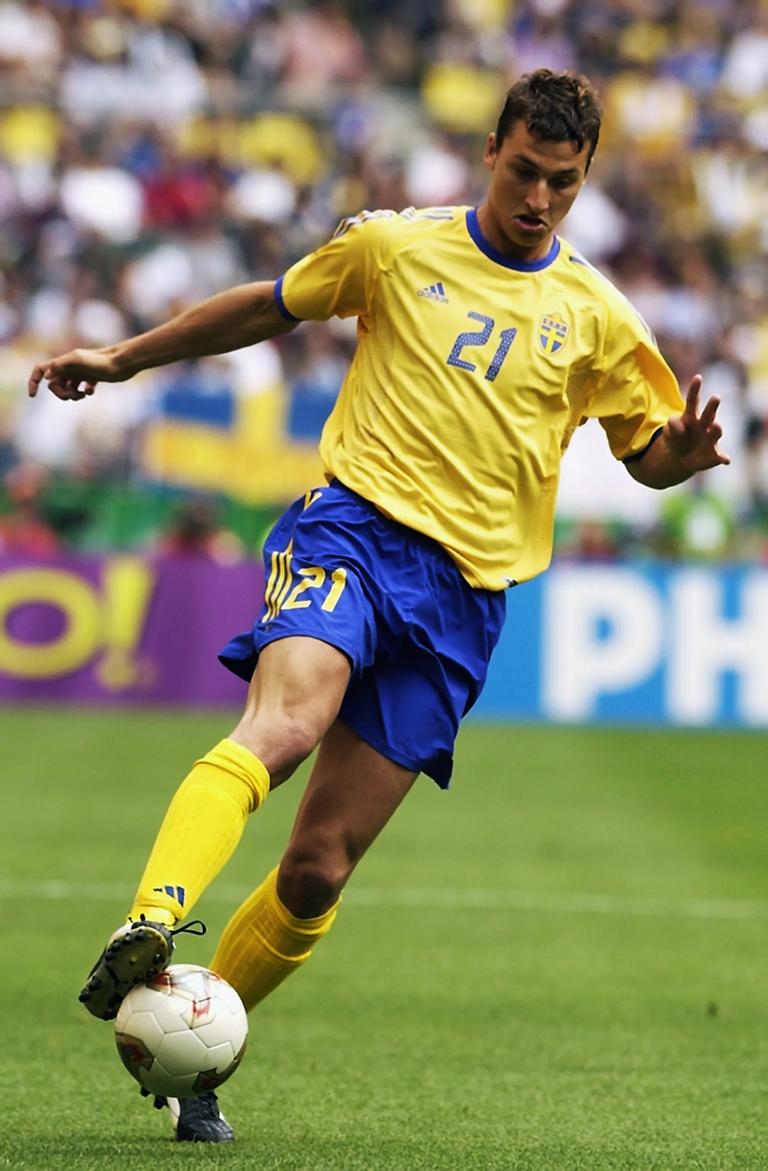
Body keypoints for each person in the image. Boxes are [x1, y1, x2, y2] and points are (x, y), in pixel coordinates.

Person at [27, 69, 729, 1143]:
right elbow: (269, 304)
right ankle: (152, 919)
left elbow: (645, 453)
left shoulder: (601, 317)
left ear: (585, 178)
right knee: (285, 724)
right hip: (353, 534)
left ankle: (193, 1048)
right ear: (491, 149)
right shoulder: (395, 247)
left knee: (317, 872)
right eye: (526, 171)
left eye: (564, 182)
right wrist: (123, 357)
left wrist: (679, 456)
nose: (540, 198)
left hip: (464, 601)